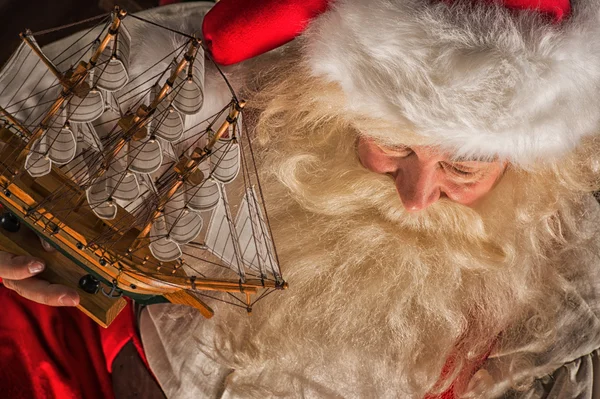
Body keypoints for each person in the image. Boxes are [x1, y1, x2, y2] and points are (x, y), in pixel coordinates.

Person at [2, 0, 600, 397]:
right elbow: (32, 134)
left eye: (462, 166)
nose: (416, 196)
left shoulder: (566, 278)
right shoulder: (204, 87)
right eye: (391, 144)